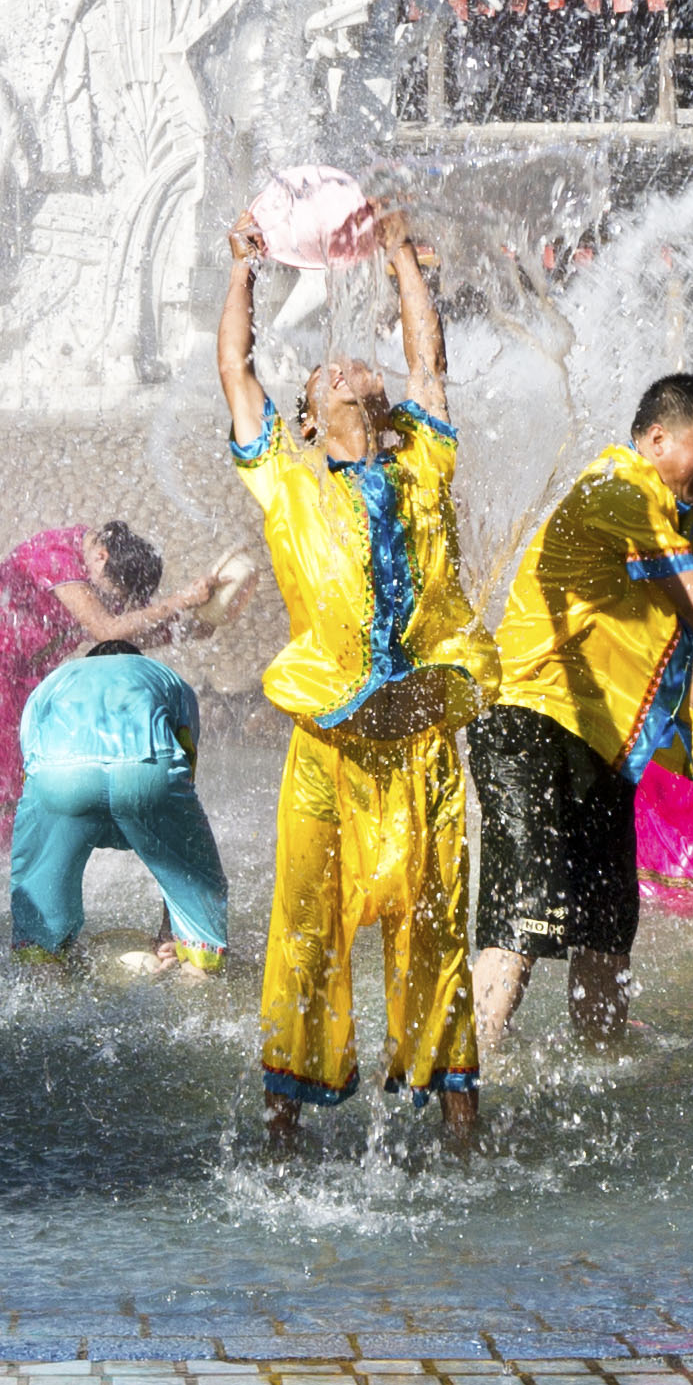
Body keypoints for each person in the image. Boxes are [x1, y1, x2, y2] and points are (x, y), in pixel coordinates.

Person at [216, 207, 491, 1148]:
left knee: (437, 934)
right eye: (326, 373)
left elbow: (429, 367)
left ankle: (461, 1125)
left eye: (352, 368)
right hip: (327, 753)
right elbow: (235, 375)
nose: (344, 367)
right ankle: (281, 1129)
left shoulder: (427, 462)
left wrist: (406, 260)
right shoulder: (286, 483)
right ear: (306, 419)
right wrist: (246, 272)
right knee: (302, 931)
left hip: (422, 750)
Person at [473, 366, 693, 1056]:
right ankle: (475, 1075)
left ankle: (604, 1069)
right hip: (533, 726)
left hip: (609, 750)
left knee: (609, 932)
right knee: (522, 922)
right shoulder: (619, 491)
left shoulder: (690, 513)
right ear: (660, 439)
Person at [4, 529, 237, 975]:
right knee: (192, 868)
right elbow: (184, 776)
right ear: (138, 660)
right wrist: (174, 923)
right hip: (145, 772)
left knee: (41, 877)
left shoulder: (56, 683)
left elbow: (30, 768)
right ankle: (192, 961)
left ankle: (43, 958)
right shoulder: (163, 679)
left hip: (61, 779)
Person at [0, 515, 140, 853]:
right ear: (102, 557)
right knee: (5, 777)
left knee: (33, 769)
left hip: (30, 672)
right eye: (106, 592)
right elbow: (106, 629)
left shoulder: (103, 569)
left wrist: (197, 620)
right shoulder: (55, 556)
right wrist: (178, 604)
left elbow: (129, 624)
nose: (106, 598)